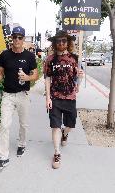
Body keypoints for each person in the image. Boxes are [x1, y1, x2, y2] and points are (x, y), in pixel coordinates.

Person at [0, 26, 38, 171]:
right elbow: (0, 73)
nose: (16, 40)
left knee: (24, 124)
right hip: (8, 95)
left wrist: (27, 77)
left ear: (23, 39)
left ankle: (22, 144)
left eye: (20, 37)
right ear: (11, 38)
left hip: (23, 94)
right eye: (14, 37)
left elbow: (35, 75)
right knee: (4, 125)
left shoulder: (29, 56)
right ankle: (3, 157)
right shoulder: (4, 55)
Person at [44, 30, 83, 169]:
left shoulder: (75, 58)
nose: (61, 43)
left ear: (68, 42)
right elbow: (47, 78)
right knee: (55, 126)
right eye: (58, 41)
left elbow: (79, 78)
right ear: (55, 43)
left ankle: (64, 134)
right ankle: (56, 152)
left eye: (64, 41)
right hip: (55, 97)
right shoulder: (50, 59)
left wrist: (80, 78)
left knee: (70, 125)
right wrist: (48, 97)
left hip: (70, 96)